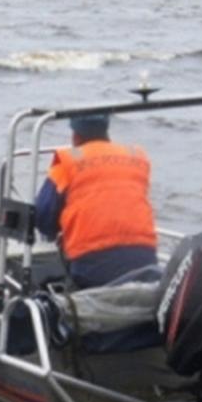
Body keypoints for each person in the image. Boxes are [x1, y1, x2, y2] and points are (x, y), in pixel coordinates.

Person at [33, 113, 159, 290]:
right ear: (106, 130)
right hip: (146, 261)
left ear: (75, 135)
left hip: (92, 269)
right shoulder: (136, 156)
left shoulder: (68, 160)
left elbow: (44, 218)